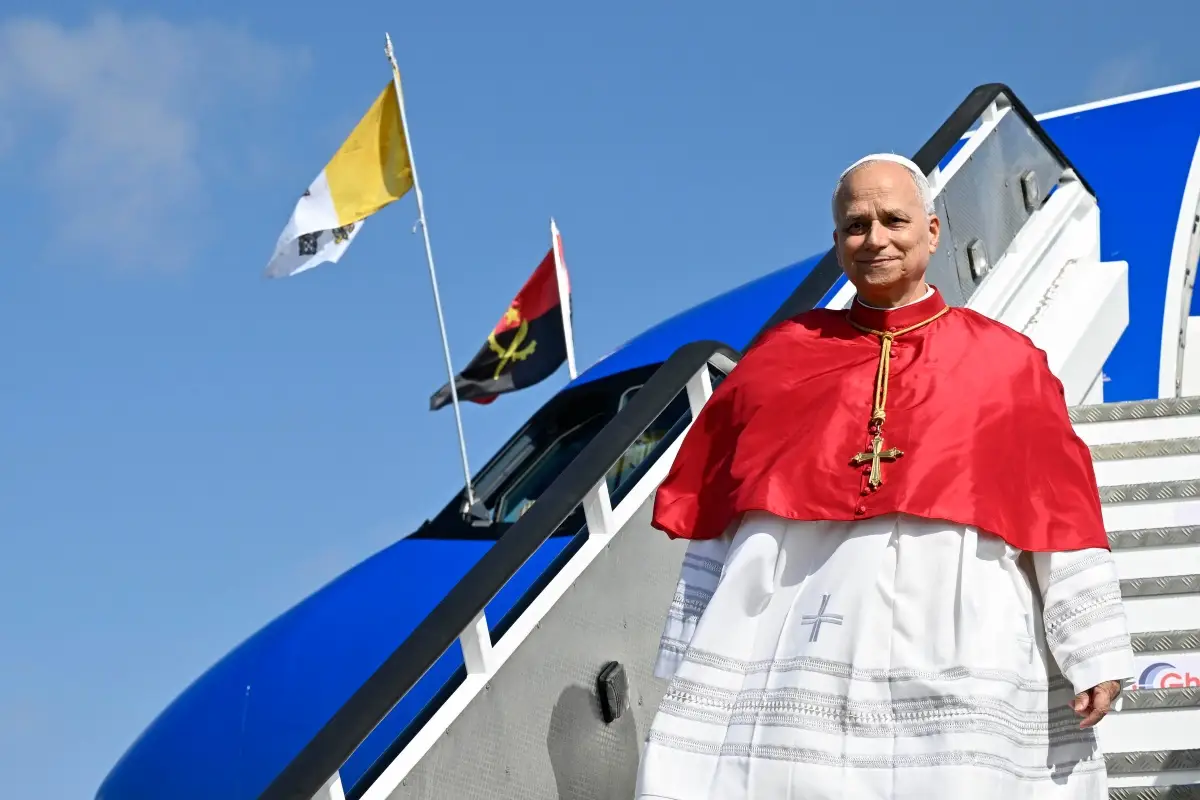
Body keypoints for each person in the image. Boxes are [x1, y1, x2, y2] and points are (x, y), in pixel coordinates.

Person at [634, 153, 1134, 799]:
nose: (874, 240)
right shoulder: (781, 357)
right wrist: (695, 639)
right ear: (837, 240)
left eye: (893, 220)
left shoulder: (1007, 363)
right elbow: (724, 514)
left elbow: (1058, 514)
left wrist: (1091, 650)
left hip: (960, 630)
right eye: (854, 225)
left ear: (931, 231)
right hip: (800, 638)